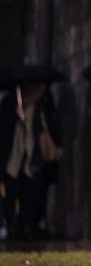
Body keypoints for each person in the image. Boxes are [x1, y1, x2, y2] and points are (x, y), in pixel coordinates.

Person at [1, 82, 62, 241]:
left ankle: (27, 225)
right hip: (13, 156)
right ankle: (11, 225)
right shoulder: (10, 102)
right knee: (11, 192)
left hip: (34, 157)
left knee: (31, 193)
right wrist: (15, 115)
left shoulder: (43, 104)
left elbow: (52, 125)